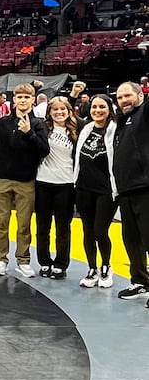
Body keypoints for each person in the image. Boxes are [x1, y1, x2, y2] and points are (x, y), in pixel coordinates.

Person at [0, 83, 50, 277]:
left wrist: (29, 133)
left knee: (24, 224)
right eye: (19, 97)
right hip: (2, 178)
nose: (23, 100)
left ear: (33, 100)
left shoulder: (38, 124)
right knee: (1, 222)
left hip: (26, 180)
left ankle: (23, 260)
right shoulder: (4, 122)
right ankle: (1, 259)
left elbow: (44, 150)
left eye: (27, 97)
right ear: (13, 100)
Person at [75, 94, 117, 288]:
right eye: (94, 107)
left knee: (100, 230)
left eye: (102, 107)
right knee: (87, 231)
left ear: (109, 109)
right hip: (84, 188)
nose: (97, 110)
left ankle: (106, 266)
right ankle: (91, 268)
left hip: (106, 190)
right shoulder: (85, 129)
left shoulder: (115, 131)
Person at [35, 97, 79, 279]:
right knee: (42, 226)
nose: (59, 112)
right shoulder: (43, 128)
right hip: (43, 181)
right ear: (49, 112)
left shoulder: (77, 129)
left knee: (63, 227)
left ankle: (61, 263)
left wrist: (74, 95)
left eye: (63, 109)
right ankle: (44, 262)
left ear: (69, 111)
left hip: (66, 184)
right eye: (55, 109)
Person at [113, 81, 149, 302]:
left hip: (145, 187)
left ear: (140, 95)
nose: (124, 100)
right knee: (131, 239)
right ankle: (140, 281)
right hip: (126, 190)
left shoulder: (144, 114)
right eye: (119, 97)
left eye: (128, 95)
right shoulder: (122, 121)